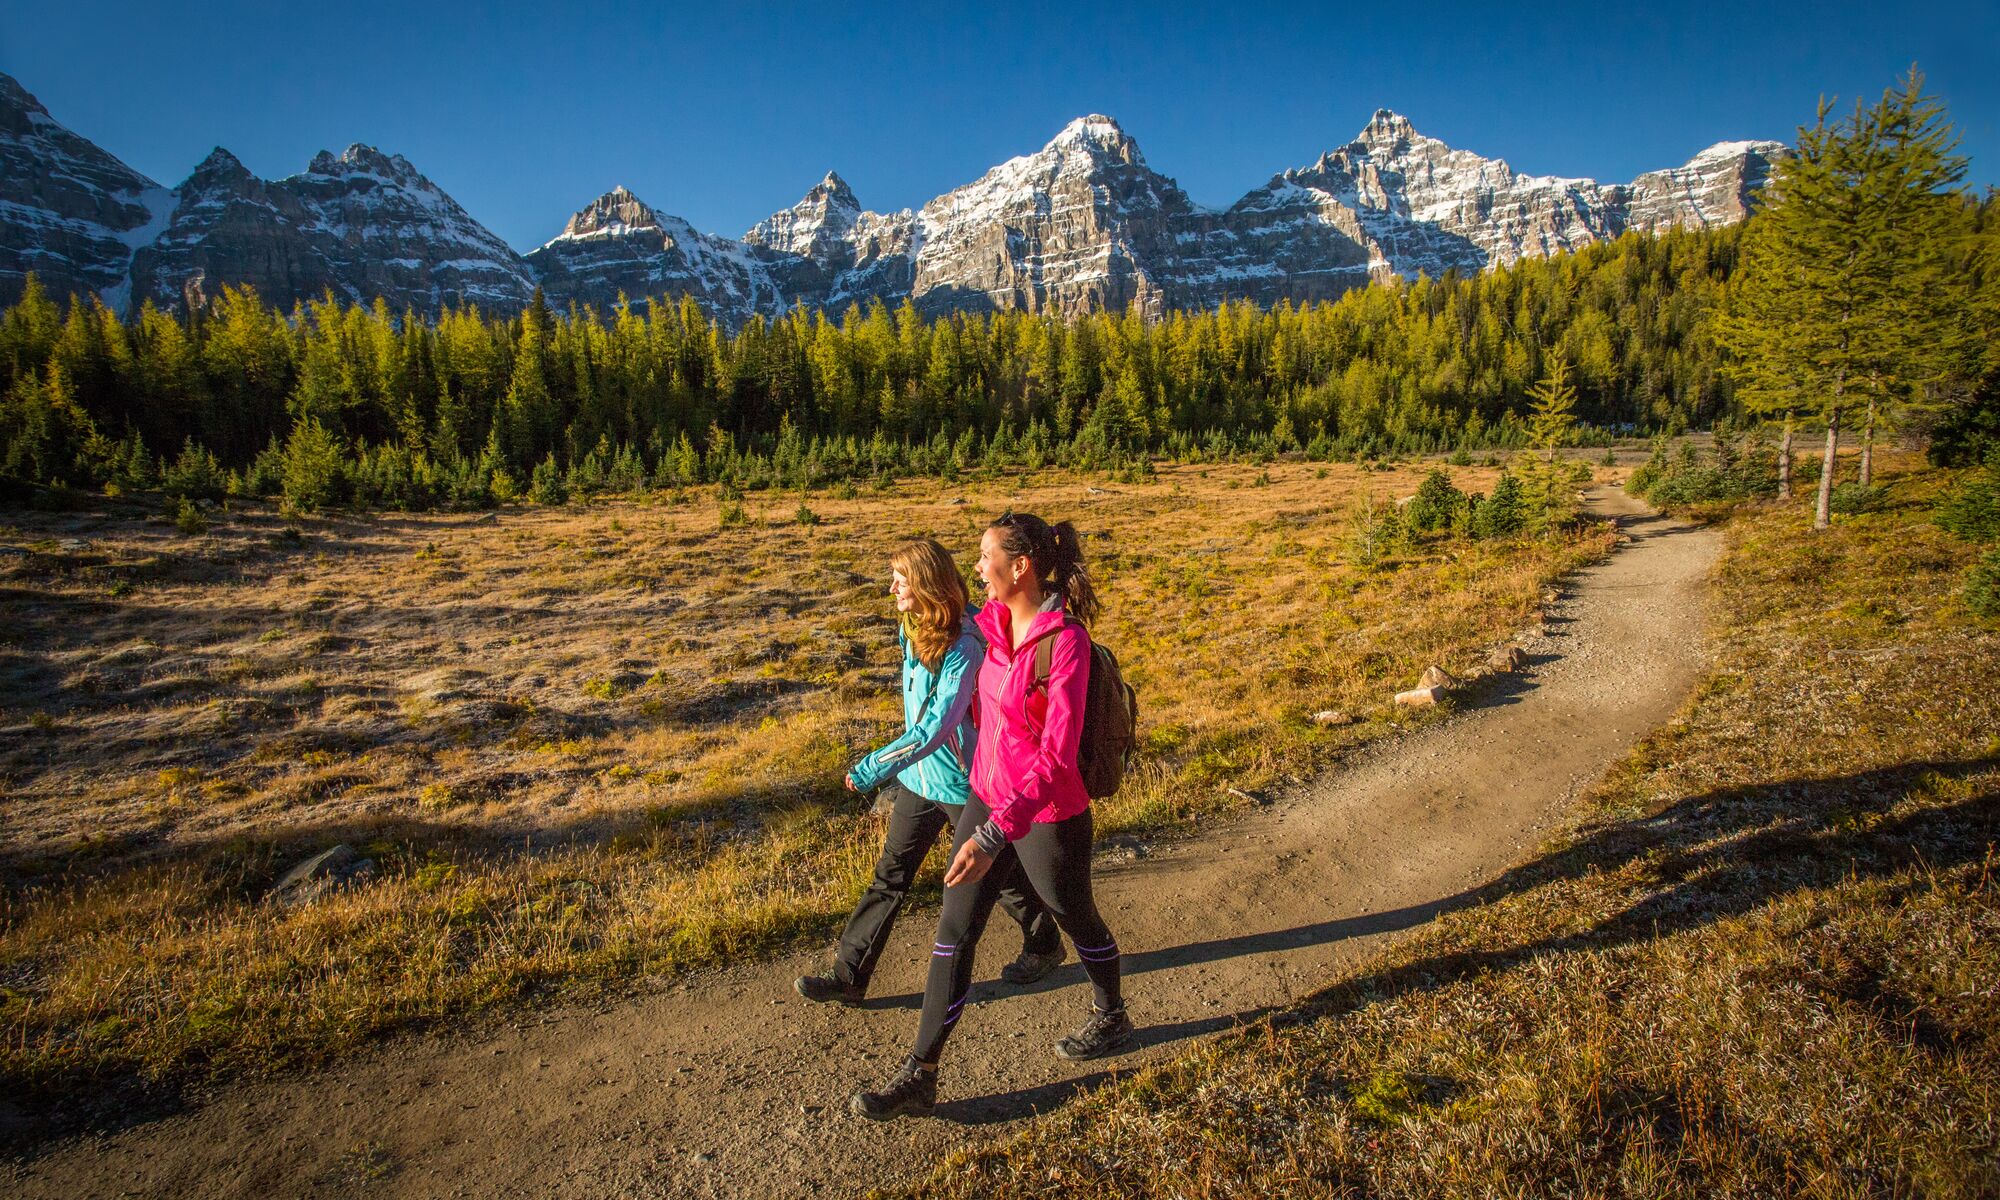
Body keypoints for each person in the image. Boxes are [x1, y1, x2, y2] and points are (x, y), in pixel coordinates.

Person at [851, 513, 1132, 1121]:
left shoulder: (1066, 644)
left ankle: (1111, 1014)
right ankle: (920, 1075)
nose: (977, 568)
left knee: (1075, 915)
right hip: (986, 794)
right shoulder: (988, 624)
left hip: (1047, 813)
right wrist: (909, 582)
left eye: (985, 557)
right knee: (953, 932)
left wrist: (994, 831)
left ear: (1020, 567)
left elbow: (1056, 760)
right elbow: (935, 613)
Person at [795, 537, 1064, 1006]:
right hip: (918, 782)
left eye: (900, 579)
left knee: (992, 879)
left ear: (925, 583)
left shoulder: (965, 644)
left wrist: (869, 768)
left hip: (963, 785)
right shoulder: (912, 625)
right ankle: (849, 976)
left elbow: (933, 729)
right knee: (890, 877)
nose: (892, 587)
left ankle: (1044, 943)